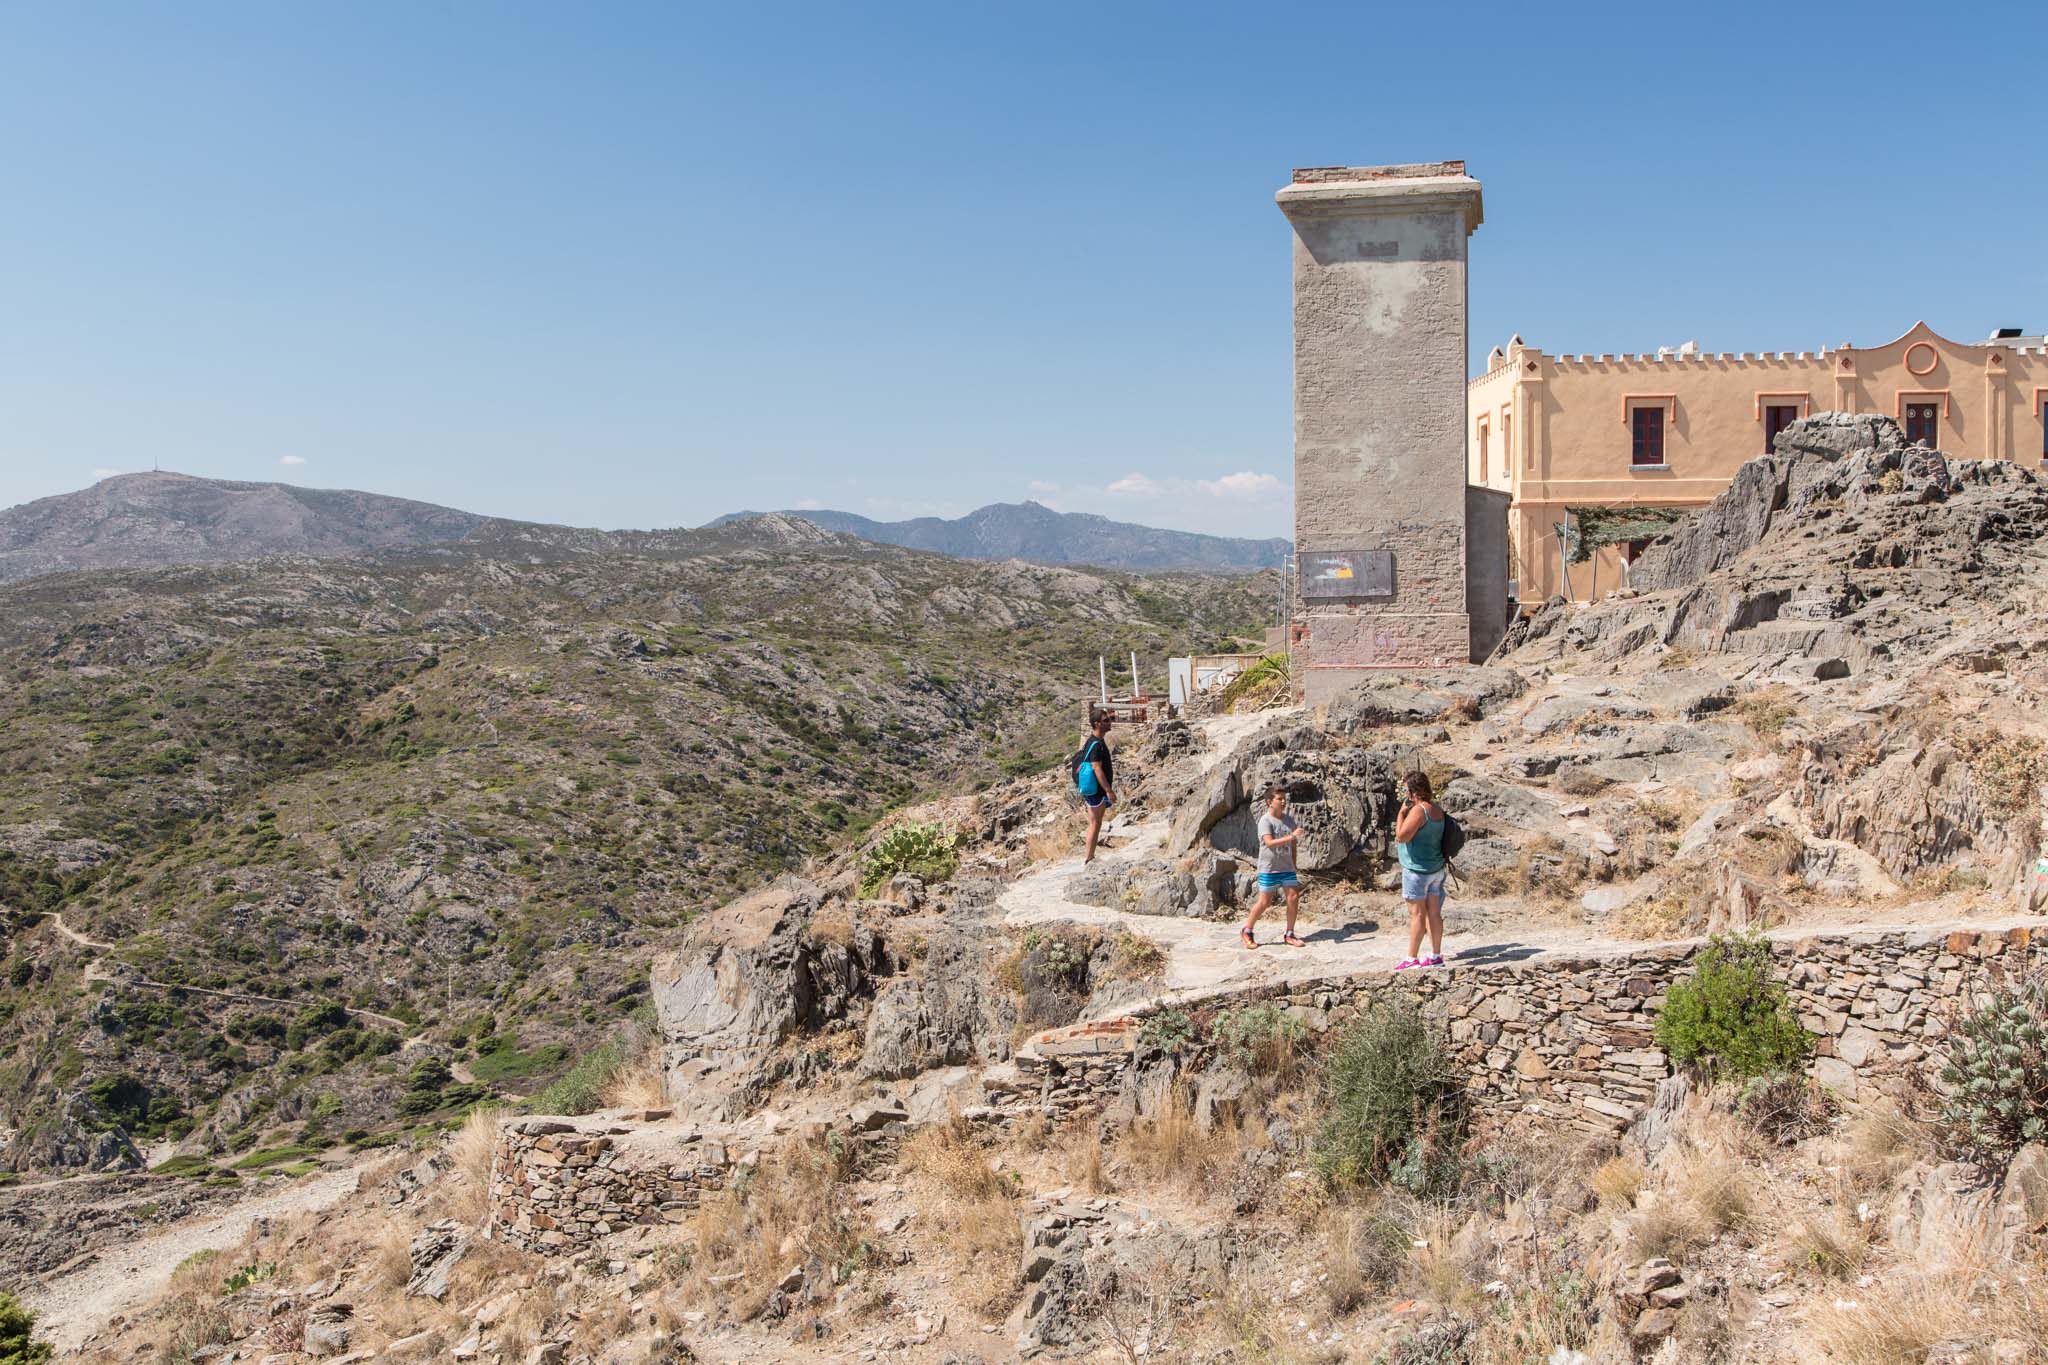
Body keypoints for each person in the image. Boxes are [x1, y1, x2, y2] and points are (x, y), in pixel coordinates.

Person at [1393, 772, 1448, 970]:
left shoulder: (1419, 811)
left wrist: (1401, 814)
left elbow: (1402, 836)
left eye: (1406, 790)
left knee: (1416, 914)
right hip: (1436, 868)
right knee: (1434, 912)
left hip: (1417, 870)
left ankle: (1411, 958)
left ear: (1413, 792)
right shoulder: (1437, 810)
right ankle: (1435, 955)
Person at [1240, 784, 1304, 949]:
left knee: (1293, 897)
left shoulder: (1289, 820)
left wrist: (1294, 864)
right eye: (1279, 799)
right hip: (1269, 868)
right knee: (1264, 902)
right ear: (1269, 802)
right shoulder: (1265, 821)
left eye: (1284, 799)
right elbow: (1269, 843)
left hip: (1287, 868)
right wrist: (1291, 836)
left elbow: (1293, 844)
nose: (1283, 802)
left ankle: (1289, 934)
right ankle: (1247, 930)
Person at [1075, 714, 1115, 863]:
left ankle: (1090, 856)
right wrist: (1108, 790)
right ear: (1097, 724)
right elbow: (1097, 768)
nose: (1109, 722)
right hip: (1096, 790)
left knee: (1094, 822)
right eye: (1106, 720)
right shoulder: (1096, 744)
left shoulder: (1095, 741)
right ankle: (1089, 857)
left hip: (1094, 789)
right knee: (1095, 823)